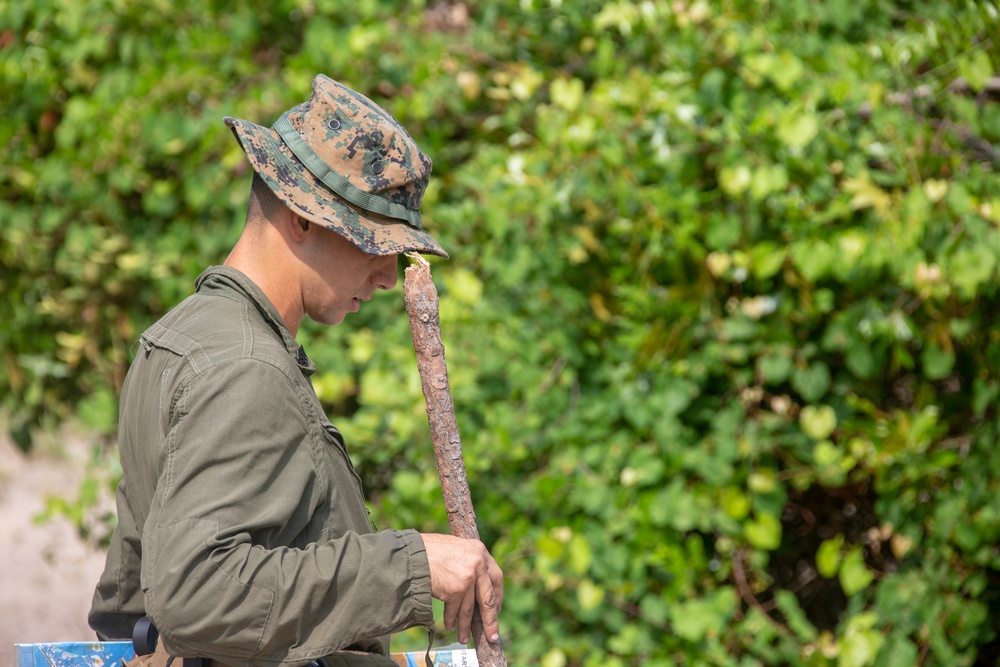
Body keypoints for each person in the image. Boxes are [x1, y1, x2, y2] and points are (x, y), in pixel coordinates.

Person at [88, 74, 503, 667]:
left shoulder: (183, 334)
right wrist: (412, 566)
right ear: (301, 218)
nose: (388, 277)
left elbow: (128, 599)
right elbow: (192, 592)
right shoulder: (244, 367)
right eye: (372, 243)